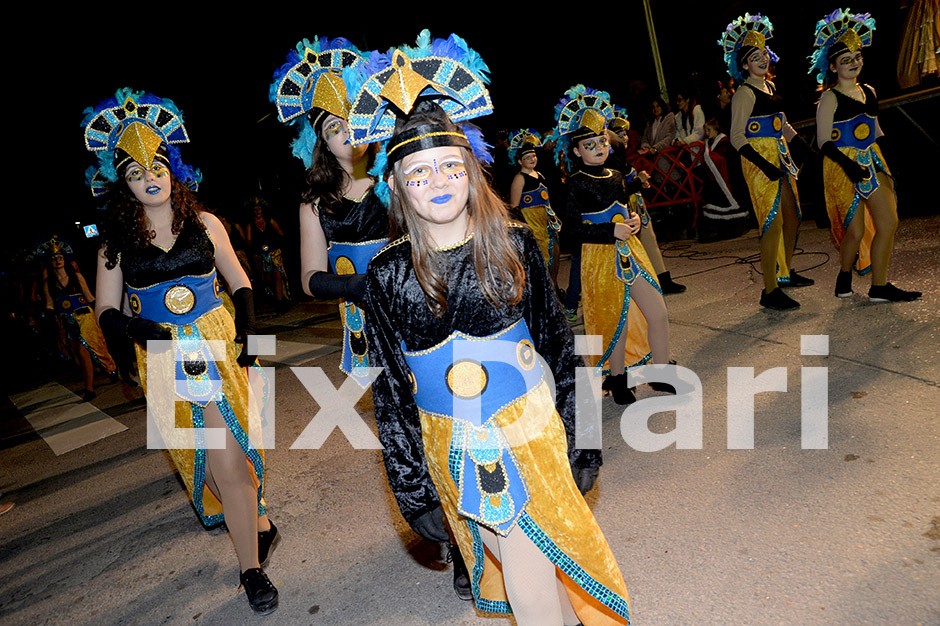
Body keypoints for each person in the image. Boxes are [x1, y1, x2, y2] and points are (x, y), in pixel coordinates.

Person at [354, 34, 630, 625]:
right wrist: (411, 489)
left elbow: (559, 344)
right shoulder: (385, 274)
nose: (437, 180)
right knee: (519, 558)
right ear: (395, 184)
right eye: (418, 170)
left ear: (473, 170)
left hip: (527, 426)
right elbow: (393, 392)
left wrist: (583, 434)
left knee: (531, 563)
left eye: (451, 165)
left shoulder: (513, 243)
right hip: (450, 441)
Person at [272, 35, 472, 598]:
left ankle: (464, 539)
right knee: (410, 428)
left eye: (350, 122)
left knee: (452, 413)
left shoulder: (398, 173)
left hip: (426, 305)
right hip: (370, 323)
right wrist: (363, 286)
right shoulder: (314, 200)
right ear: (318, 137)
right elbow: (310, 278)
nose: (346, 135)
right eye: (332, 127)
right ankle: (442, 522)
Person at [84, 88, 279, 614]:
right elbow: (105, 313)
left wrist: (254, 350)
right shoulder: (114, 244)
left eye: (156, 165)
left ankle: (251, 571)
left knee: (230, 456)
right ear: (122, 186)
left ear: (172, 167)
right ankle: (258, 524)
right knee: (211, 466)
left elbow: (241, 286)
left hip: (216, 345)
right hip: (165, 358)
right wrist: (137, 331)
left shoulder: (207, 224)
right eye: (135, 173)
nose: (150, 177)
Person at [550, 85, 675, 407]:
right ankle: (618, 380)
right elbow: (571, 232)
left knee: (658, 312)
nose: (598, 148)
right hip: (599, 259)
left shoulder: (618, 174)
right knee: (613, 321)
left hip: (630, 252)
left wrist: (632, 220)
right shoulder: (574, 184)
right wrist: (610, 231)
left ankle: (660, 371)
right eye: (589, 145)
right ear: (576, 151)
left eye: (602, 141)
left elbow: (623, 206)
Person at [810, 8, 921, 302]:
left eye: (857, 57)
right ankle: (845, 273)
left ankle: (879, 287)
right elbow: (823, 142)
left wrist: (888, 161)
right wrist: (848, 166)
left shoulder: (869, 91)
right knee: (856, 232)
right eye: (845, 60)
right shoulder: (829, 98)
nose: (853, 63)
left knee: (889, 222)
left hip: (872, 162)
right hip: (840, 166)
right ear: (833, 67)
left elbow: (877, 130)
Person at [719, 13, 815, 310]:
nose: (761, 59)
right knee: (771, 223)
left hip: (780, 157)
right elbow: (736, 138)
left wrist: (804, 148)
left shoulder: (770, 88)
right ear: (744, 65)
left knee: (793, 215)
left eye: (763, 54)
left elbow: (782, 125)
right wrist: (764, 164)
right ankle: (769, 290)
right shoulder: (744, 94)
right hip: (759, 161)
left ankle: (784, 274)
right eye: (753, 57)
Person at [608, 106, 686, 294]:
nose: (624, 138)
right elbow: (618, 191)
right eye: (619, 135)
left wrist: (639, 183)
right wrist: (637, 182)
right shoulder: (610, 162)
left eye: (625, 134)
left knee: (650, 241)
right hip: (623, 213)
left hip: (638, 208)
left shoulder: (621, 157)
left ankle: (662, 279)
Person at [40, 237, 119, 401]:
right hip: (66, 321)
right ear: (49, 262)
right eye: (54, 258)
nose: (57, 260)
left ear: (65, 259)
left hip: (85, 317)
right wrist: (48, 319)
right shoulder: (48, 283)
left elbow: (89, 297)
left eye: (60, 257)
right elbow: (49, 303)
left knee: (90, 348)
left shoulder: (76, 276)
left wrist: (103, 312)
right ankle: (107, 370)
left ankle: (92, 386)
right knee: (78, 354)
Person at [508, 129, 562, 287]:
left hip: (547, 224)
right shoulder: (519, 178)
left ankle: (553, 288)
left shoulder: (540, 175)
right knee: (540, 261)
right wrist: (525, 230)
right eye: (527, 157)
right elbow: (514, 207)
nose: (532, 159)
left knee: (555, 255)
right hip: (532, 225)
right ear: (519, 161)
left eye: (533, 156)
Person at [698, 118, 748, 241]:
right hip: (715, 182)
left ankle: (733, 228)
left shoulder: (724, 143)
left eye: (709, 130)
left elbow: (724, 163)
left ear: (717, 129)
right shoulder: (710, 144)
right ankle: (719, 229)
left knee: (726, 202)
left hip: (727, 181)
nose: (707, 133)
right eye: (706, 131)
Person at [245, 196, 290, 315]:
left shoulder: (270, 221)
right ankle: (273, 299)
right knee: (267, 279)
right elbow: (248, 242)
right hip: (260, 256)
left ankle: (280, 302)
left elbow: (281, 233)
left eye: (259, 209)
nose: (257, 211)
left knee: (277, 274)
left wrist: (276, 244)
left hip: (274, 253)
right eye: (255, 209)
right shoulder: (250, 226)